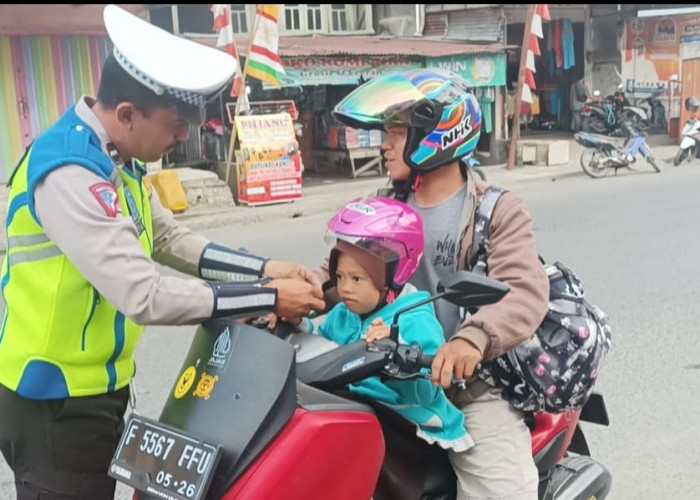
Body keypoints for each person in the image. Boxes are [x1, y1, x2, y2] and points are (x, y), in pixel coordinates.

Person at [0, 5, 324, 499]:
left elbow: (169, 238)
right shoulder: (71, 172)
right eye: (175, 124)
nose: (182, 136)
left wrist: (265, 269)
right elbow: (143, 294)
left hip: (95, 393)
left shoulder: (115, 157)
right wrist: (266, 296)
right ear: (127, 114)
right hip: (53, 403)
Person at [329, 68, 550, 500]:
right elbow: (339, 276)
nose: (385, 144)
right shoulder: (383, 204)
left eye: (396, 132)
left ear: (438, 134)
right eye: (386, 132)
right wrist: (288, 297)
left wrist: (471, 340)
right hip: (381, 376)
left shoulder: (496, 211)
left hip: (468, 388)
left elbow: (523, 289)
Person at [309, 197, 474, 451]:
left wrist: (399, 347)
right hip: (354, 415)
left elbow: (430, 386)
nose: (344, 288)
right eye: (339, 277)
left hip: (409, 428)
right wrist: (291, 324)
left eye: (357, 278)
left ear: (390, 279)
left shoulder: (414, 318)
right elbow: (318, 346)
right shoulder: (343, 314)